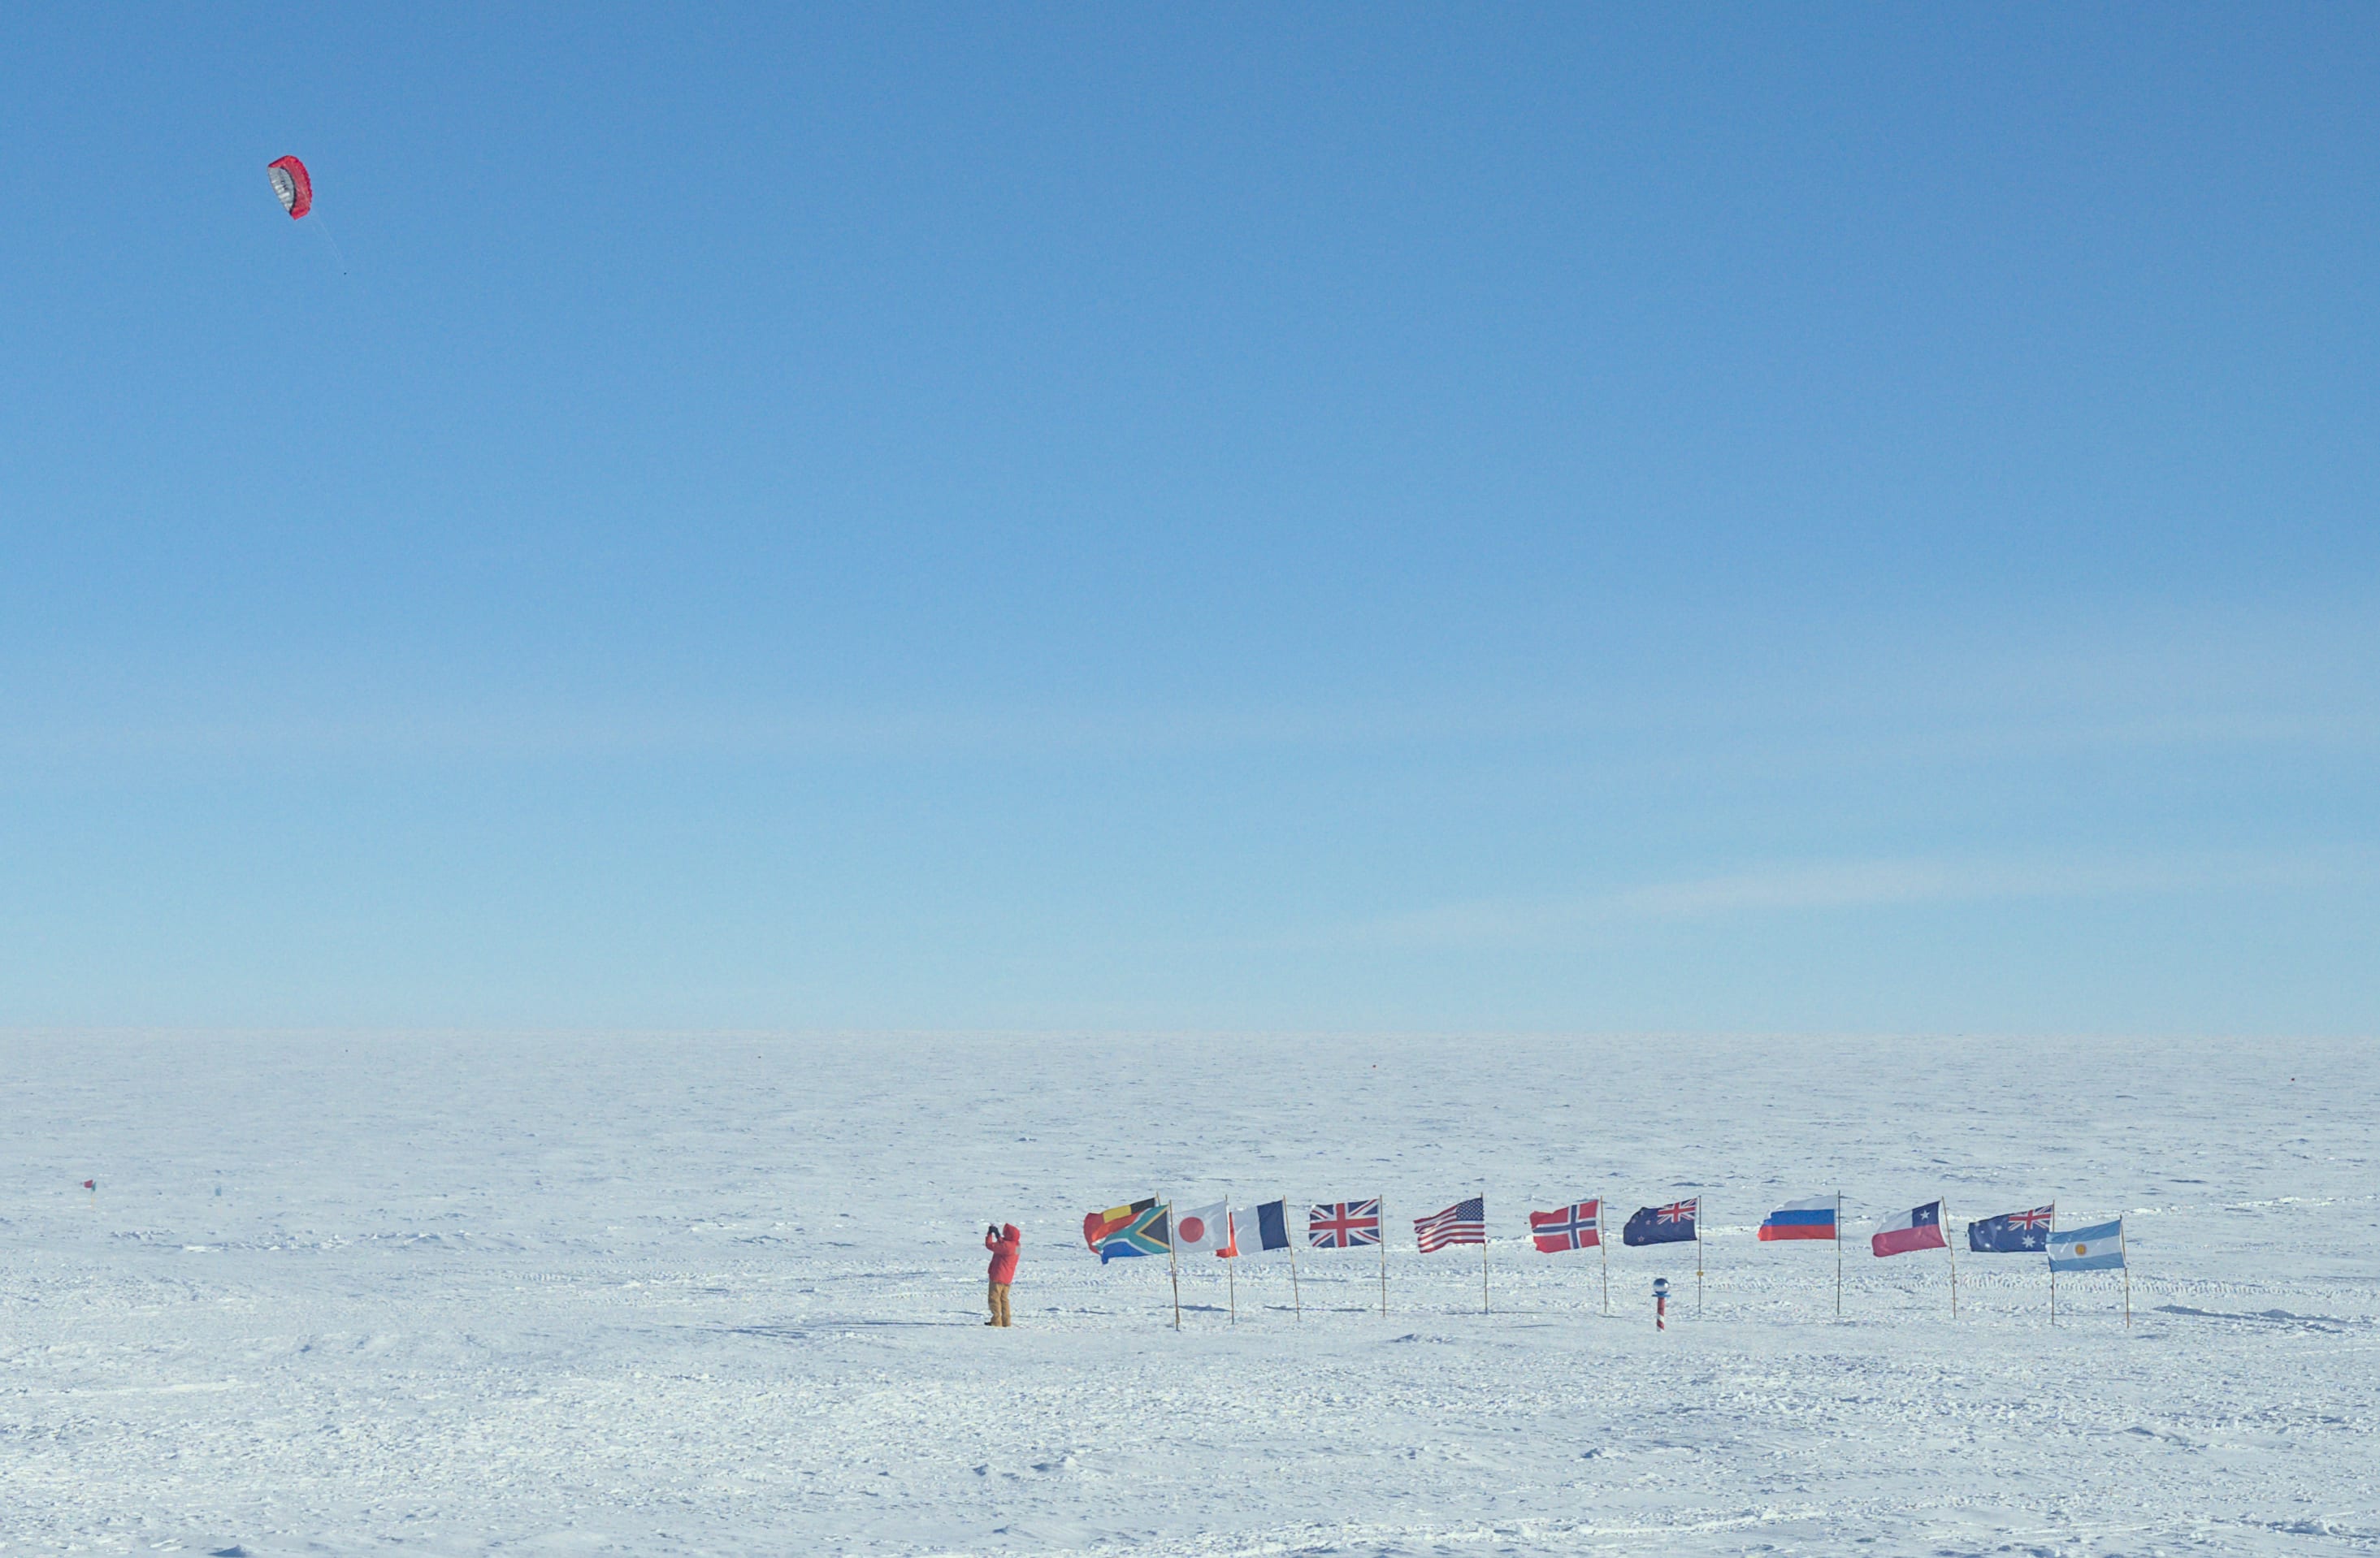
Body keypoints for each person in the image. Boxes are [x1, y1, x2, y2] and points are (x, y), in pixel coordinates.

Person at [984, 1222, 1021, 1326]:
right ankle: (1006, 1321)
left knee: (994, 1298)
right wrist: (999, 1236)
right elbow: (1005, 1245)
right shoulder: (1017, 1246)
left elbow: (990, 1245)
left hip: (998, 1275)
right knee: (1004, 1299)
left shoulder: (1007, 1247)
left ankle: (996, 1321)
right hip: (1008, 1277)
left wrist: (990, 1234)